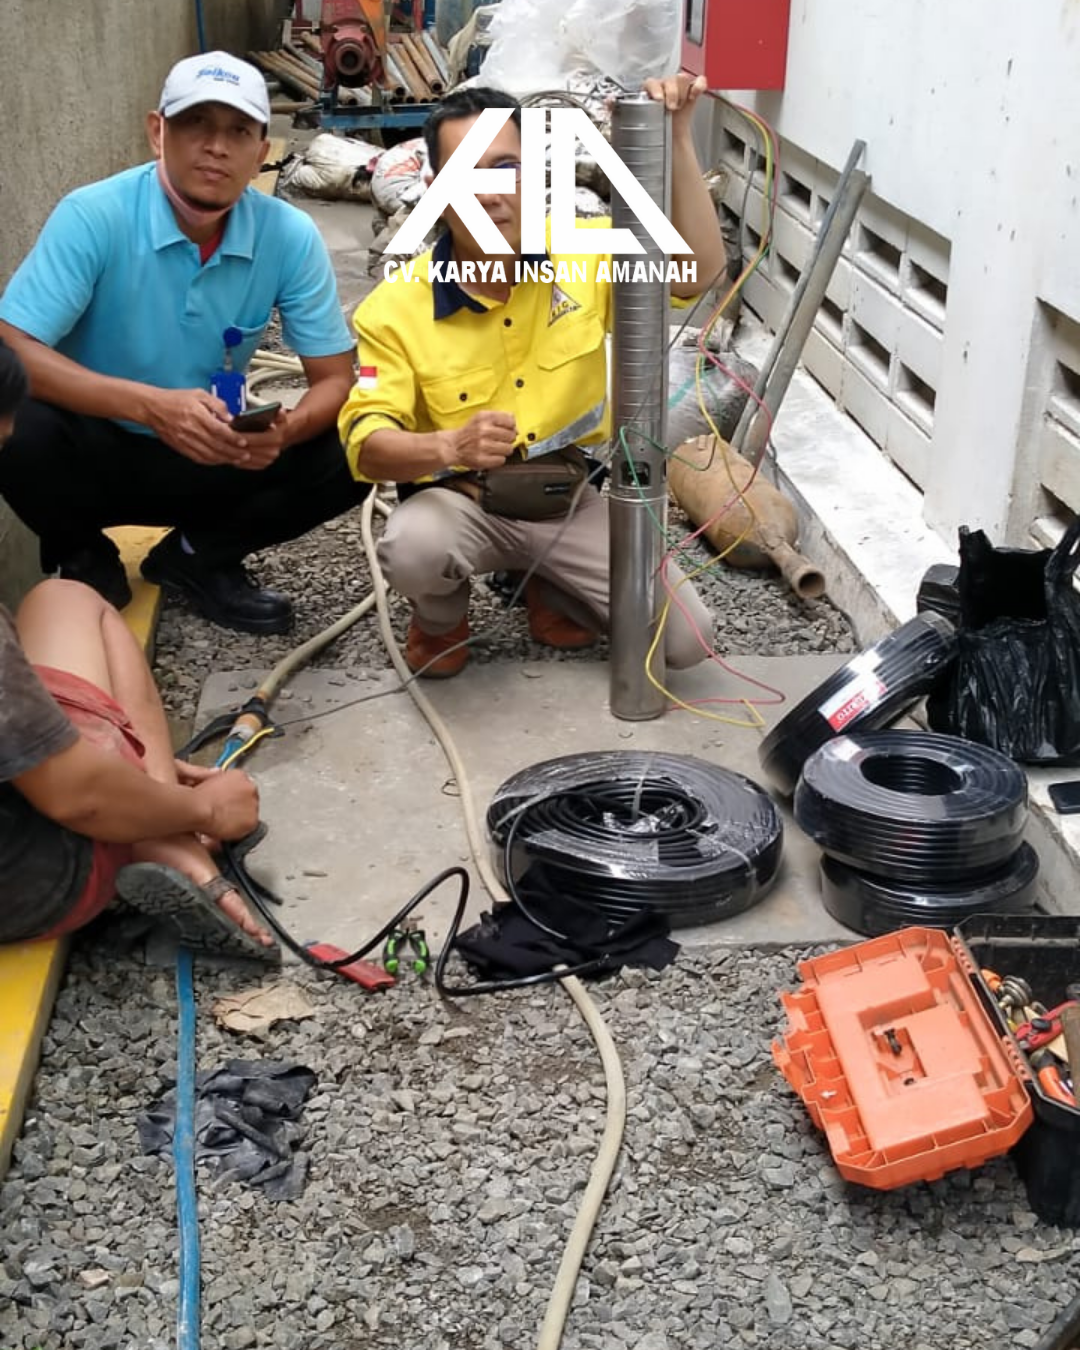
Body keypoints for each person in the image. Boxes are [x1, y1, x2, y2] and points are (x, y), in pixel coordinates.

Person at [338, 75, 726, 679]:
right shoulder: (392, 309)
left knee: (686, 642)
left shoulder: (585, 255)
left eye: (507, 168)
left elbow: (697, 272)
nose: (492, 196)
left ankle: (547, 584)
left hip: (567, 500)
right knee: (414, 547)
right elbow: (365, 444)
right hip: (463, 506)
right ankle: (440, 618)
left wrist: (677, 135)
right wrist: (450, 446)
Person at [0, 51, 368, 636]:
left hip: (213, 451)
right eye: (197, 123)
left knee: (364, 437)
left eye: (238, 131)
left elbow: (336, 380)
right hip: (92, 451)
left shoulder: (288, 236)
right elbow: (11, 346)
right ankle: (83, 554)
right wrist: (149, 406)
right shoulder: (94, 216)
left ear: (261, 153)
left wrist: (284, 432)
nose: (216, 147)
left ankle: (200, 556)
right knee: (15, 417)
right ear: (158, 132)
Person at [0, 340, 276, 958]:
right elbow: (76, 795)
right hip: (32, 873)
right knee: (97, 785)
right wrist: (204, 810)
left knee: (65, 600)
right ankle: (164, 840)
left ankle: (160, 823)